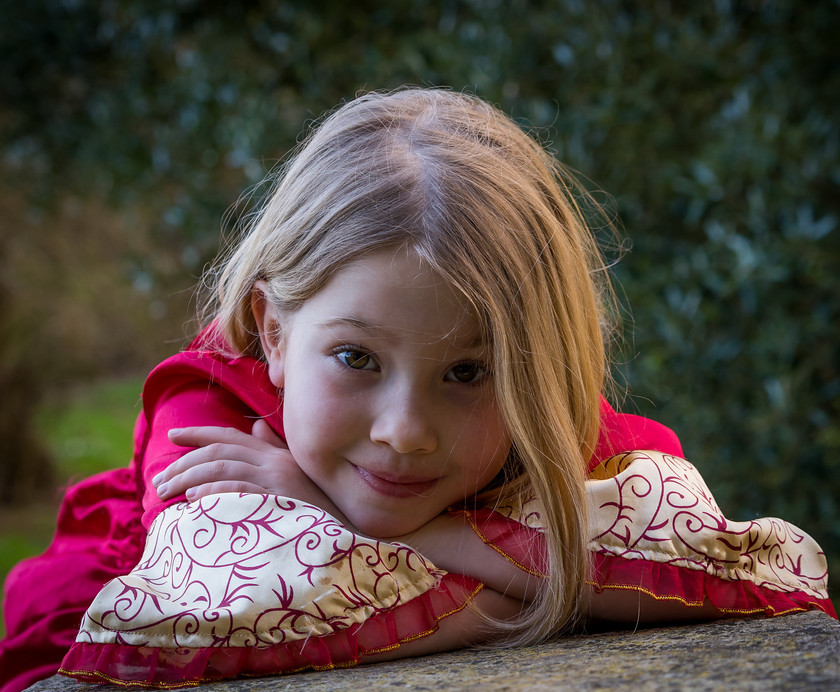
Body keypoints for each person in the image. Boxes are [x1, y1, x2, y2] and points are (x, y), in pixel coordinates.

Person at [1, 88, 834, 691]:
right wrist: (546, 585)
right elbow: (230, 608)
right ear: (279, 332)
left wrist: (384, 527)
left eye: (468, 372)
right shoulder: (204, 418)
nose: (405, 431)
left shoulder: (545, 426)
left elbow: (715, 565)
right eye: (357, 359)